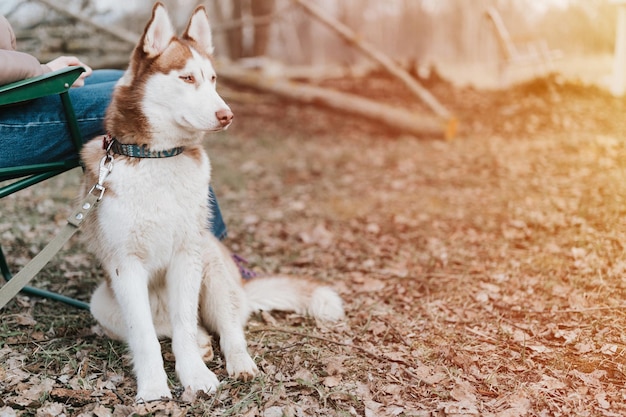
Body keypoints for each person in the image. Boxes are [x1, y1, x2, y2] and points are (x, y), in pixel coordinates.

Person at [0, 14, 228, 241]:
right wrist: (43, 72)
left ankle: (198, 245)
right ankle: (212, 250)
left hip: (10, 97)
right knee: (139, 97)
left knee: (123, 78)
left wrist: (41, 71)